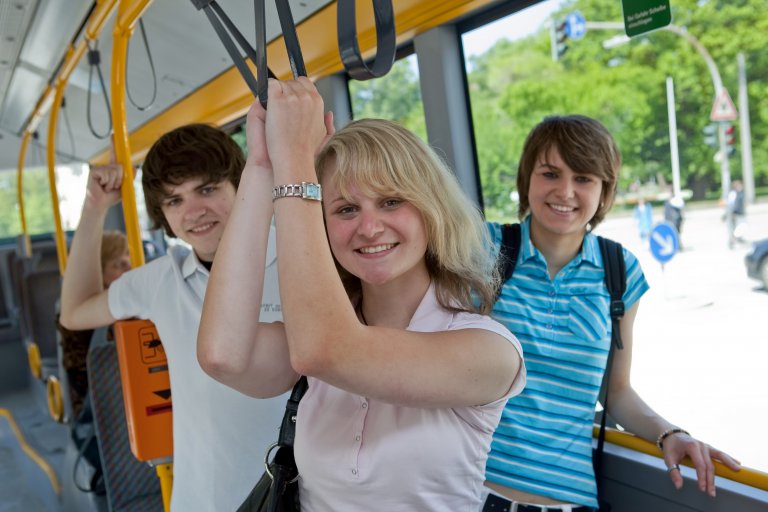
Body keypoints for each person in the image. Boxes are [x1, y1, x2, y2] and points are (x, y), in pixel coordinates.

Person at [197, 77, 526, 511]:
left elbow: (329, 352)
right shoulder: (316, 334)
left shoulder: (489, 350)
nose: (369, 228)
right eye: (346, 209)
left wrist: (295, 158)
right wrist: (261, 166)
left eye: (391, 202)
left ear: (432, 209)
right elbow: (223, 354)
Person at [483, 115, 741, 511]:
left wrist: (670, 433)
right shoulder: (485, 248)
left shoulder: (620, 270)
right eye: (550, 173)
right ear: (527, 179)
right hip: (473, 492)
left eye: (584, 178)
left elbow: (616, 392)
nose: (565, 191)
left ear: (604, 192)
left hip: (571, 502)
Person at [59, 124, 286, 511]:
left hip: (297, 492)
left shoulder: (297, 256)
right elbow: (75, 311)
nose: (194, 212)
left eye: (207, 189)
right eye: (174, 201)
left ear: (241, 186)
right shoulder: (162, 280)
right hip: (202, 498)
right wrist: (95, 207)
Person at [57, 229, 131, 419]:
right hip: (104, 409)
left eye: (130, 257)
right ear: (98, 272)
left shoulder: (137, 301)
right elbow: (84, 380)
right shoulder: (78, 319)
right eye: (119, 264)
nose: (130, 267)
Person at [726, 180, 746, 248]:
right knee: (734, 228)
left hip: (739, 213)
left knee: (739, 227)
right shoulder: (733, 194)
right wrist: (732, 213)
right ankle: (731, 242)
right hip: (734, 214)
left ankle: (738, 239)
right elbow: (731, 204)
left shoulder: (739, 193)